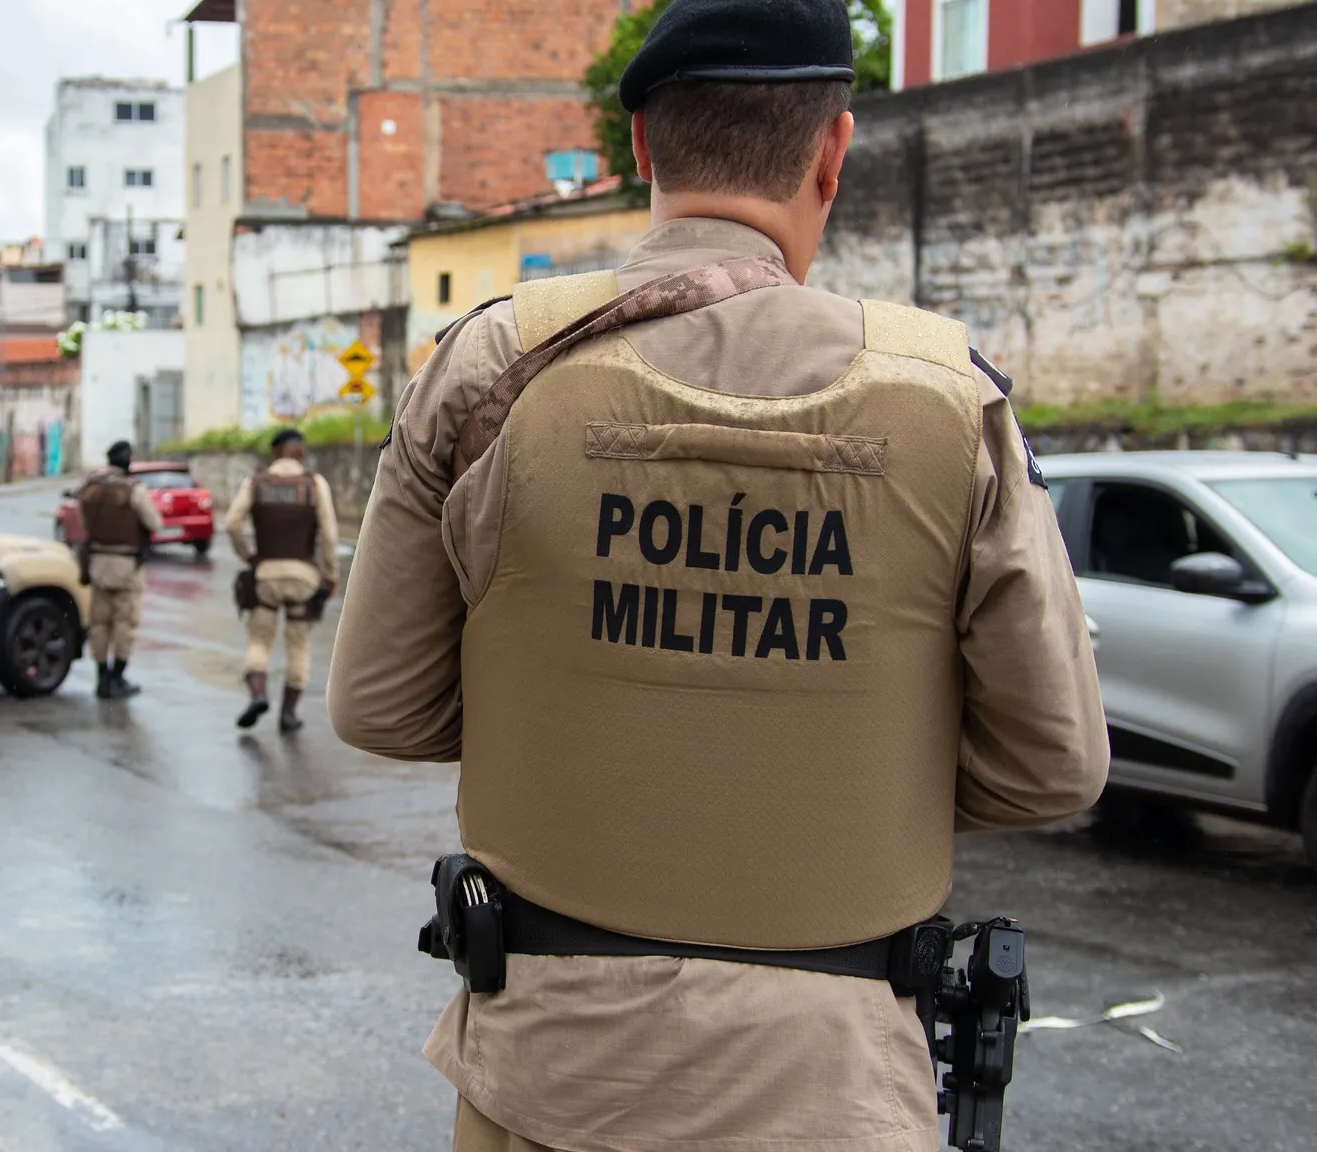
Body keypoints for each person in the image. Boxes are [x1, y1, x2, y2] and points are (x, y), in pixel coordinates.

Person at [326, 1, 1109, 1149]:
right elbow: (1051, 767)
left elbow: (380, 706)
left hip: (547, 1080)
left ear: (640, 145)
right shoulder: (951, 399)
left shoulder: (487, 366)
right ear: (831, 152)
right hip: (832, 1090)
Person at [226, 428, 339, 732]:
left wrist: (249, 557)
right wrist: (330, 574)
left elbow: (232, 523)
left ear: (275, 452)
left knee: (259, 640)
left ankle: (259, 693)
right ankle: (288, 714)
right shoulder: (314, 483)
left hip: (265, 576)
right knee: (298, 644)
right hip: (303, 577)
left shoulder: (256, 482)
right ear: (300, 451)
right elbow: (329, 535)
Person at [76, 440, 162, 698]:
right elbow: (155, 522)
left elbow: (83, 522)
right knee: (125, 622)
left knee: (99, 623)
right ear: (128, 460)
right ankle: (117, 676)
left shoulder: (90, 488)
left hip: (97, 563)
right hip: (126, 565)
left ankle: (101, 677)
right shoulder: (133, 490)